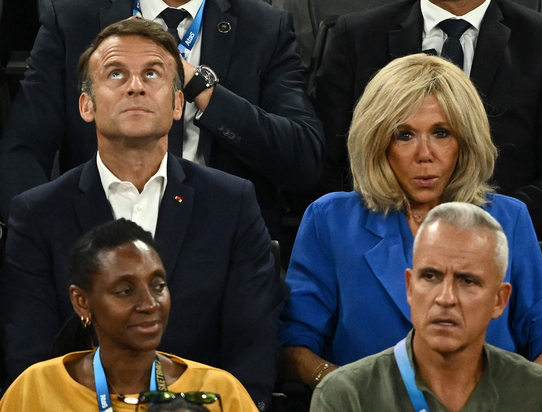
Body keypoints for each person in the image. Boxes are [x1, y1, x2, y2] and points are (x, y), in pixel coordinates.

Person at [0, 18, 281, 411]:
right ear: (86, 105)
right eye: (116, 74)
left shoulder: (232, 203)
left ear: (177, 102)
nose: (136, 85)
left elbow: (253, 354)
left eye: (152, 73)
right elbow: (31, 367)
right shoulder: (37, 213)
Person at [278, 54, 542, 387]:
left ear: (465, 141)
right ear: (378, 142)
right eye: (405, 135)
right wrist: (342, 389)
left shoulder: (508, 219)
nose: (425, 154)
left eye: (441, 133)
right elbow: (292, 345)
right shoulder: (332, 220)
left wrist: (517, 399)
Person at [0, 0, 324, 242]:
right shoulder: (73, 18)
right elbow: (23, 148)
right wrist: (47, 238)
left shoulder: (264, 27)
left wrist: (198, 85)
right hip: (98, 236)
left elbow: (303, 158)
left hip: (219, 242)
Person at [312, 0, 542, 245]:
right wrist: (382, 231)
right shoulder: (357, 35)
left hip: (503, 245)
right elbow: (326, 162)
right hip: (374, 241)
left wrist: (479, 226)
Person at [310, 202, 542, 412]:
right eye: (430, 277)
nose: (446, 298)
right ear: (409, 287)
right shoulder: (346, 398)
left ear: (499, 300)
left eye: (467, 281)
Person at [0, 218, 259, 411]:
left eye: (158, 286)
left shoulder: (219, 391)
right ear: (82, 302)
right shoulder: (34, 388)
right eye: (125, 290)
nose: (149, 304)